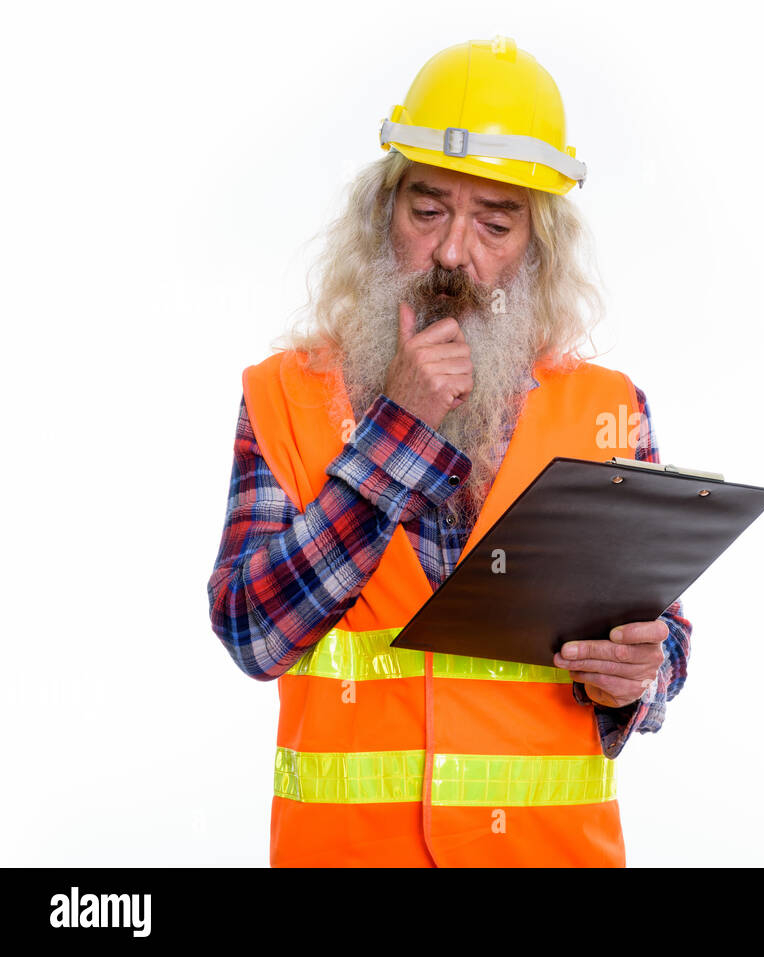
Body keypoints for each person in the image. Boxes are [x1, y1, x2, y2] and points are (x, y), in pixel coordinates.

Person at [206, 36, 691, 867]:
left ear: (537, 248)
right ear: (380, 216)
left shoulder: (609, 409)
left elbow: (665, 643)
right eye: (426, 211)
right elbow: (253, 632)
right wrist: (398, 429)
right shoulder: (282, 396)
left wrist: (639, 676)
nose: (454, 253)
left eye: (495, 222)